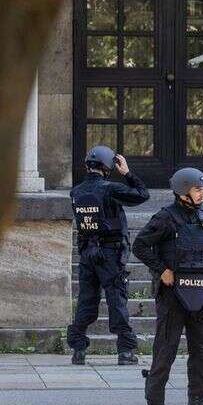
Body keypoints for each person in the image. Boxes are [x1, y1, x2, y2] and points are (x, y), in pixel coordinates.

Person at [132, 168, 203, 405]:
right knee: (165, 349)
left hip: (200, 292)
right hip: (173, 294)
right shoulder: (165, 218)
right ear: (183, 191)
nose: (202, 194)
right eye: (198, 189)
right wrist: (162, 270)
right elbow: (139, 245)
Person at [68, 146, 149, 365]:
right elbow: (143, 195)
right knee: (117, 300)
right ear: (108, 167)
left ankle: (78, 350)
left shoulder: (76, 192)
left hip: (87, 254)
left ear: (88, 165)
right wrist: (127, 173)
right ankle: (125, 352)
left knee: (86, 300)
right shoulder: (111, 188)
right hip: (111, 255)